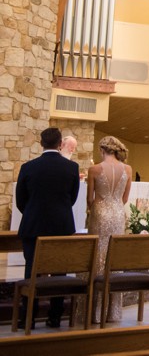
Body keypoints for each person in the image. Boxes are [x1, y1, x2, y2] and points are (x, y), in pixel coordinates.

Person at [15, 127, 80, 329]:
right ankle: (55, 317)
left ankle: (29, 318)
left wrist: (34, 212)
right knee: (59, 272)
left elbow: (20, 200)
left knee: (31, 271)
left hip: (33, 226)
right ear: (60, 144)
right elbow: (72, 198)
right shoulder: (71, 168)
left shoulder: (28, 167)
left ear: (41, 143)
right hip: (61, 225)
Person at [85, 135, 133, 322]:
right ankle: (113, 312)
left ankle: (95, 313)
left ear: (102, 150)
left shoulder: (94, 169)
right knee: (113, 257)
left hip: (100, 213)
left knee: (98, 256)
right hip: (117, 214)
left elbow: (90, 198)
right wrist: (114, 208)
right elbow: (125, 198)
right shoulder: (127, 169)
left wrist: (95, 210)